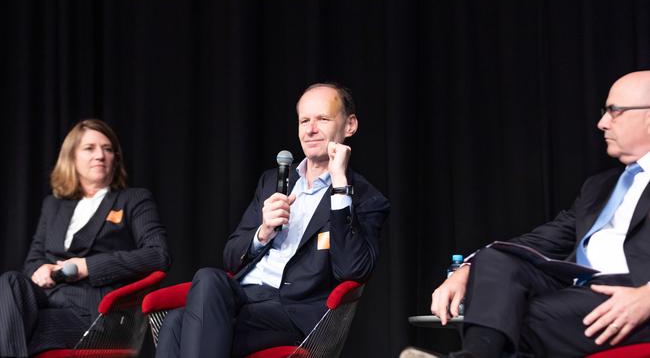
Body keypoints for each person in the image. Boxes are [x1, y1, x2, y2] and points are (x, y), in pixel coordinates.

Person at [403, 71, 650, 358]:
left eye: (614, 111)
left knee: (514, 322)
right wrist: (470, 270)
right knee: (496, 259)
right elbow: (543, 239)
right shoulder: (600, 187)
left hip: (632, 293)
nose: (602, 122)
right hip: (577, 288)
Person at [155, 83, 390, 358]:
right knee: (207, 278)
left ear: (349, 125)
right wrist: (262, 232)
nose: (310, 129)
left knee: (177, 324)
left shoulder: (365, 197)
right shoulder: (273, 181)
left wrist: (339, 185)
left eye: (322, 119)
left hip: (293, 312)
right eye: (304, 121)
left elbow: (353, 270)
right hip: (244, 297)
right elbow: (231, 257)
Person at [0, 119, 171, 357]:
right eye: (89, 148)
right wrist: (42, 270)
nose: (100, 155)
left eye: (108, 149)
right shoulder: (54, 205)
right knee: (10, 282)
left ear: (115, 159)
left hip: (94, 313)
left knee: (10, 328)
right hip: (45, 301)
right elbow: (32, 262)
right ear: (71, 158)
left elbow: (158, 254)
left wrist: (87, 266)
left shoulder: (133, 200)